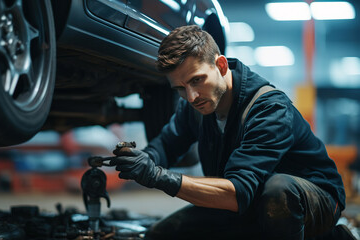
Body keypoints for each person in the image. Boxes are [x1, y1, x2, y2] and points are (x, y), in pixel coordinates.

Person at [110, 25, 353, 240]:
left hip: (313, 201)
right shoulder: (194, 106)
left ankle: (328, 236)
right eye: (180, 88)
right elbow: (165, 146)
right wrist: (141, 160)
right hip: (250, 203)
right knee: (161, 234)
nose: (191, 96)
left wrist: (157, 176)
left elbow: (238, 191)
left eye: (197, 80)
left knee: (278, 192)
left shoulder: (269, 109)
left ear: (221, 65)